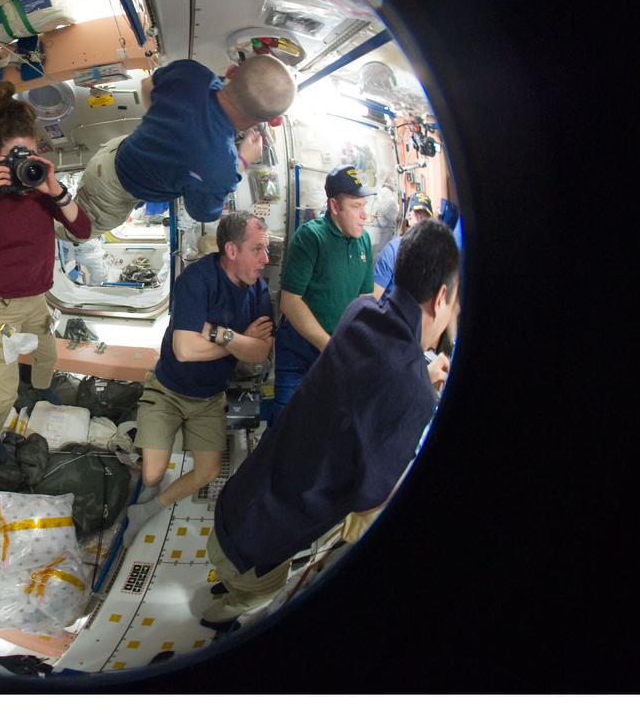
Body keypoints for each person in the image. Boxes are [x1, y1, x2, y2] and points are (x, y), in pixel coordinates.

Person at [200, 219, 460, 629]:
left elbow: (365, 375)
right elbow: (367, 512)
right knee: (257, 594)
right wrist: (419, 388)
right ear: (442, 296)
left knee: (233, 570)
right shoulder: (412, 396)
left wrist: (418, 376)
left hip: (239, 499)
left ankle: (227, 588)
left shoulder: (360, 313)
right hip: (262, 540)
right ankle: (218, 617)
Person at [0, 81, 92, 463]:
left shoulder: (41, 189)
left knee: (47, 358)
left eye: (26, 155)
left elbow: (83, 230)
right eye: (12, 157)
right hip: (2, 313)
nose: (19, 164)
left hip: (37, 303)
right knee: (3, 392)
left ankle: (42, 391)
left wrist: (54, 188)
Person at [122, 212, 275, 547]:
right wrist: (239, 341)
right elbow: (185, 350)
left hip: (210, 398)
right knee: (152, 474)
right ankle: (149, 487)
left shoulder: (259, 291)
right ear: (232, 251)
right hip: (168, 391)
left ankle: (144, 513)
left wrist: (219, 333)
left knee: (207, 472)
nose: (266, 260)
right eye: (258, 250)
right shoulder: (196, 279)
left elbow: (260, 352)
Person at [55, 53, 296, 242]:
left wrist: (163, 129)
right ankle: (22, 221)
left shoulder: (192, 74)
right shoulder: (222, 167)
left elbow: (147, 85)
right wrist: (243, 160)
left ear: (232, 71)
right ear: (262, 121)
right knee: (74, 232)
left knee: (66, 206)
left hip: (111, 154)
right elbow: (202, 213)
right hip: (112, 192)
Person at [271, 163, 377, 427]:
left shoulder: (363, 241)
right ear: (334, 206)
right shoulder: (310, 237)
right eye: (356, 206)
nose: (364, 215)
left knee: (326, 425)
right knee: (286, 425)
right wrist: (328, 345)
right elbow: (290, 301)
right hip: (299, 350)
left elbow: (364, 298)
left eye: (364, 206)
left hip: (336, 350)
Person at [373, 191, 434, 298]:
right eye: (419, 216)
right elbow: (374, 299)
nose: (423, 223)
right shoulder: (392, 251)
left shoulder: (431, 255)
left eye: (426, 218)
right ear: (410, 217)